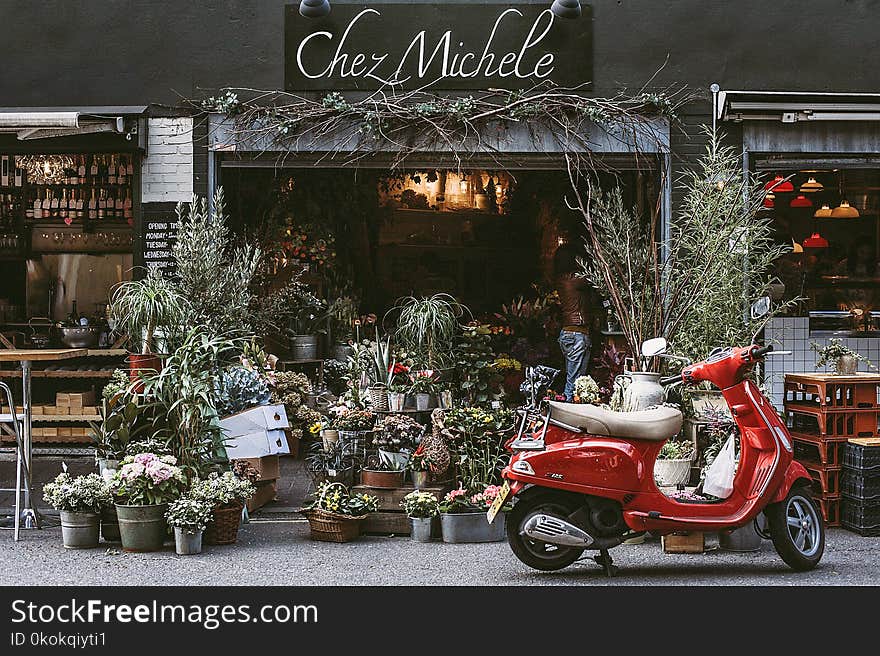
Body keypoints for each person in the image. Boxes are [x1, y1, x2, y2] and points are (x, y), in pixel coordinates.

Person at [553, 244, 592, 402]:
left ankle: (571, 410)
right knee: (574, 380)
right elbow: (593, 276)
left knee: (577, 380)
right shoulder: (574, 280)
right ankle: (567, 409)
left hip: (570, 333)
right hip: (577, 334)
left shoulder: (562, 279)